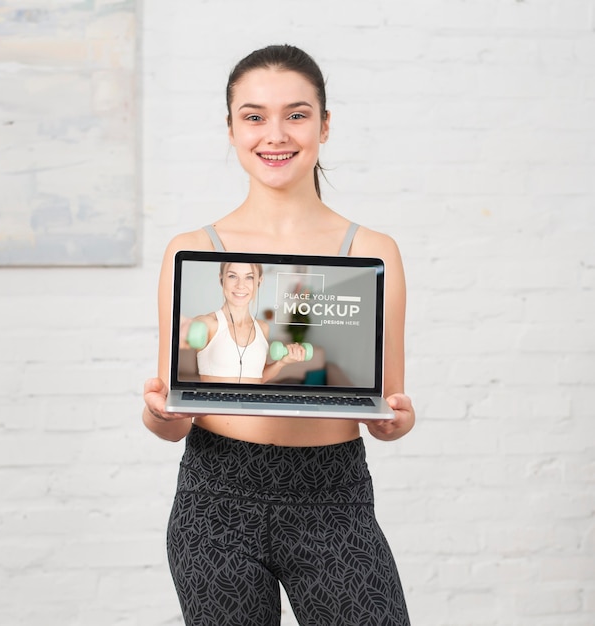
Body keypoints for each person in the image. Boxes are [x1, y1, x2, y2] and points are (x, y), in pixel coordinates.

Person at [143, 44, 415, 626]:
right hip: (215, 500)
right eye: (254, 115)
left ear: (324, 123)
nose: (275, 134)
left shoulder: (371, 252)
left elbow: (392, 408)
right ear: (232, 128)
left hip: (334, 495)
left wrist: (396, 419)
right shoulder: (194, 252)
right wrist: (159, 413)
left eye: (295, 114)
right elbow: (172, 413)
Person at [190, 261, 306, 383]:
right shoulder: (206, 324)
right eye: (232, 276)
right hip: (215, 401)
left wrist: (282, 362)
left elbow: (259, 378)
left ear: (259, 281)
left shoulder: (262, 327)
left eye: (249, 277)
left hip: (252, 401)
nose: (241, 285)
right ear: (221, 279)